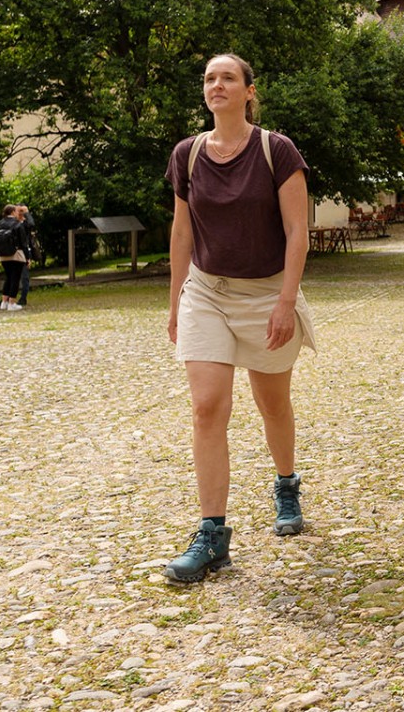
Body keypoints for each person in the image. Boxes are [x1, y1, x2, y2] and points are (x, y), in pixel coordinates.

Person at [162, 53, 317, 583]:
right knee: (207, 408)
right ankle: (212, 534)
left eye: (228, 77)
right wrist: (175, 300)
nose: (217, 85)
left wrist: (285, 301)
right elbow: (182, 233)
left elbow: (298, 231)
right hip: (205, 292)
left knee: (272, 403)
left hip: (266, 293)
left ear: (250, 90)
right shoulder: (186, 154)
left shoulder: (277, 151)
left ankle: (286, 484)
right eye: (209, 78)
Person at [0, 205, 30, 311]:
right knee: (15, 279)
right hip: (16, 254)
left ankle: (4, 302)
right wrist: (27, 258)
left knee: (8, 278)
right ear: (13, 212)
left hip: (2, 255)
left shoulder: (0, 223)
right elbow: (23, 243)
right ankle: (12, 303)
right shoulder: (17, 224)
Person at [14, 205, 39, 308]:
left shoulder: (26, 224)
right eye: (18, 211)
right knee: (12, 277)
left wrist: (26, 212)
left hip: (24, 252)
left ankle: (23, 298)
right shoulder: (13, 223)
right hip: (14, 252)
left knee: (24, 277)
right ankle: (7, 298)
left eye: (21, 211)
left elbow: (32, 224)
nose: (20, 213)